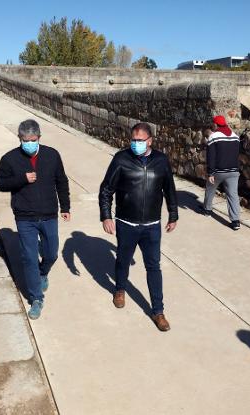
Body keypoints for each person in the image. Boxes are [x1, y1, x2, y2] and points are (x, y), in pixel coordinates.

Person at [99, 122, 178, 332]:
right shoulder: (121, 159)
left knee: (153, 266)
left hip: (152, 226)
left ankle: (158, 311)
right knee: (123, 260)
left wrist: (173, 214)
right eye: (133, 140)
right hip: (126, 223)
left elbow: (169, 188)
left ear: (150, 141)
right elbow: (106, 190)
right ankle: (120, 289)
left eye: (140, 141)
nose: (135, 144)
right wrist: (106, 216)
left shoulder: (161, 161)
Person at [0, 119, 71, 319]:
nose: (29, 143)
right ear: (19, 138)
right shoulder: (9, 159)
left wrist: (65, 207)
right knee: (29, 258)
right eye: (25, 139)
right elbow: (0, 184)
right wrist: (21, 179)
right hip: (24, 217)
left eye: (33, 139)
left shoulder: (52, 155)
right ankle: (36, 298)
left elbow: (61, 181)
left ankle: (43, 272)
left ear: (39, 138)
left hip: (48, 215)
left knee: (52, 253)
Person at [203, 115, 242, 230]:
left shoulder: (213, 137)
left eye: (213, 124)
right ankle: (235, 221)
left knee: (210, 189)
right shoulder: (236, 137)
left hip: (218, 171)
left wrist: (210, 173)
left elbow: (211, 156)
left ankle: (207, 210)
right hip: (234, 171)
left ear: (215, 125)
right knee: (233, 195)